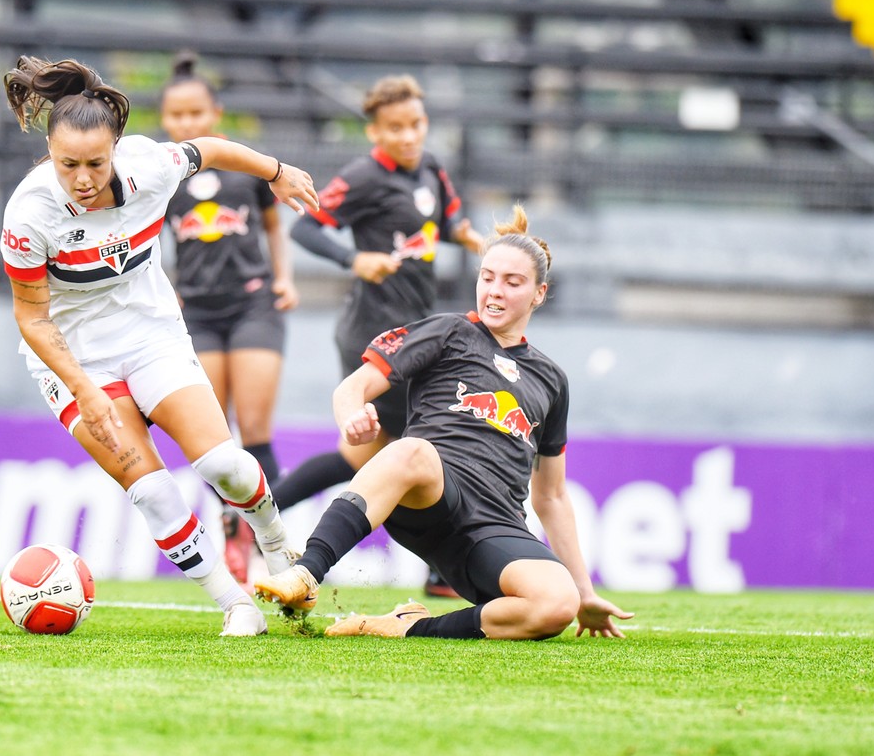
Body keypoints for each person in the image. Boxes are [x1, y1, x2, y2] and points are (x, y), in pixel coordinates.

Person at [0, 55, 319, 637]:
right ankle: (236, 605)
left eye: (96, 163)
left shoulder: (152, 164)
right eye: (68, 164)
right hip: (75, 360)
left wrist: (277, 171)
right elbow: (33, 318)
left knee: (225, 465)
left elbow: (212, 148)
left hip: (151, 336)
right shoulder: (29, 214)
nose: (84, 178)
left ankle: (277, 547)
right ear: (50, 153)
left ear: (117, 150)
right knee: (153, 492)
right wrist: (83, 388)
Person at [255, 206, 634, 640]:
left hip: (496, 525)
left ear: (539, 293)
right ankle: (305, 576)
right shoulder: (449, 331)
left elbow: (551, 497)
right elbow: (350, 389)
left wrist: (584, 595)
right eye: (487, 277)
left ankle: (407, 627)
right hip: (433, 495)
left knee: (555, 605)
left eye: (513, 283)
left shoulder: (551, 380)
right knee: (409, 449)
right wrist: (352, 418)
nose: (495, 291)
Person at [272, 73, 484, 597]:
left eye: (416, 124)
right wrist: (355, 258)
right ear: (375, 132)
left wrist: (475, 238)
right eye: (396, 127)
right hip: (372, 334)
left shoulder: (432, 168)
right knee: (432, 441)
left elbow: (450, 218)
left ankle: (257, 510)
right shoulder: (364, 176)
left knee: (361, 459)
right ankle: (442, 573)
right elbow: (304, 226)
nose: (409, 136)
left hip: (414, 334)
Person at [158, 52, 298, 587]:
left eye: (197, 114)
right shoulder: (161, 179)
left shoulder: (245, 171)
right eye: (177, 116)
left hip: (253, 304)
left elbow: (273, 229)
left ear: (214, 113)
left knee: (256, 429)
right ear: (166, 119)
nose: (187, 124)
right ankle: (232, 533)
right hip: (197, 312)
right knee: (218, 438)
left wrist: (284, 278)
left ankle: (272, 542)